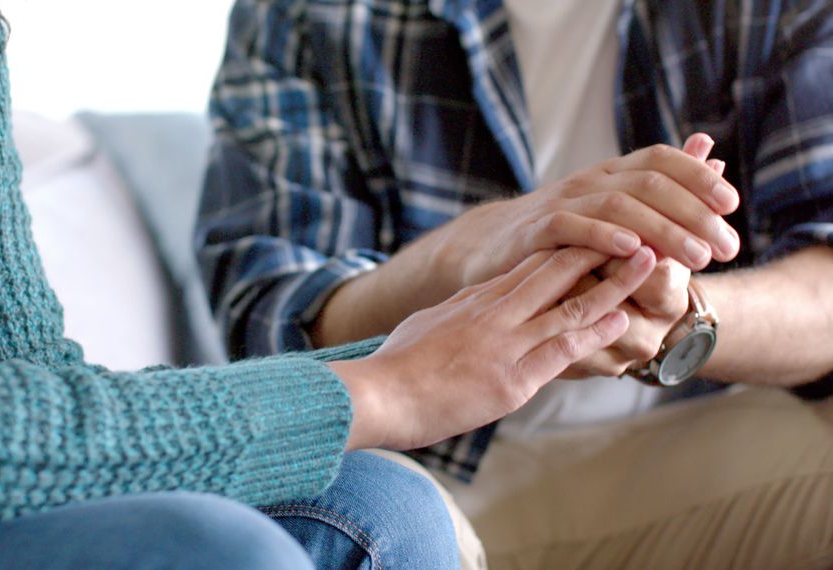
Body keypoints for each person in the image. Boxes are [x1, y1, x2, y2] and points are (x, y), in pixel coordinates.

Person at [0, 1, 659, 568]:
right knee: (211, 552)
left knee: (381, 505)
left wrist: (471, 342)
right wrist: (386, 387)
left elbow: (45, 394)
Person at [197, 0, 833, 567]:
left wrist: (677, 322)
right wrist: (468, 253)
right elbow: (269, 315)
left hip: (694, 452)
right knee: (372, 513)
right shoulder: (306, 14)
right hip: (430, 478)